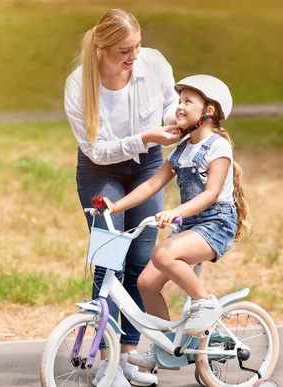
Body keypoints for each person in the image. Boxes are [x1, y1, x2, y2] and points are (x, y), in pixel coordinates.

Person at [64, 8, 182, 387]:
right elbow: (97, 150)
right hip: (102, 170)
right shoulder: (79, 85)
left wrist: (172, 120)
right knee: (108, 259)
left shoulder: (154, 64)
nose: (134, 57)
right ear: (101, 49)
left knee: (138, 259)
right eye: (124, 51)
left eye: (137, 46)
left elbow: (168, 100)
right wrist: (147, 137)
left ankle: (127, 356)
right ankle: (106, 361)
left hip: (147, 166)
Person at [104, 74, 252, 367]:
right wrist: (114, 206)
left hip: (216, 223)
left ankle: (204, 303)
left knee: (161, 253)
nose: (179, 107)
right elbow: (151, 185)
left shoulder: (218, 147)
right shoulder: (182, 150)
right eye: (179, 101)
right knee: (146, 283)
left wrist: (176, 211)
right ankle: (168, 348)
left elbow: (211, 194)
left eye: (188, 101)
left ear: (208, 111)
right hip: (192, 226)